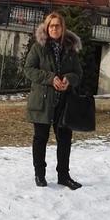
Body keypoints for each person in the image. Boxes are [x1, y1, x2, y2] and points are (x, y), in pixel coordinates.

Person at [24, 10, 84, 189]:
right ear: (46, 27)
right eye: (51, 25)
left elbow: (78, 73)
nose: (54, 29)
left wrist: (69, 80)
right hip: (42, 101)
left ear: (62, 27)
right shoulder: (39, 48)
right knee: (40, 138)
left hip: (64, 102)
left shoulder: (70, 49)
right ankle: (39, 175)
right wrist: (50, 78)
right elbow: (28, 69)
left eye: (57, 26)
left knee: (65, 139)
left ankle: (64, 176)